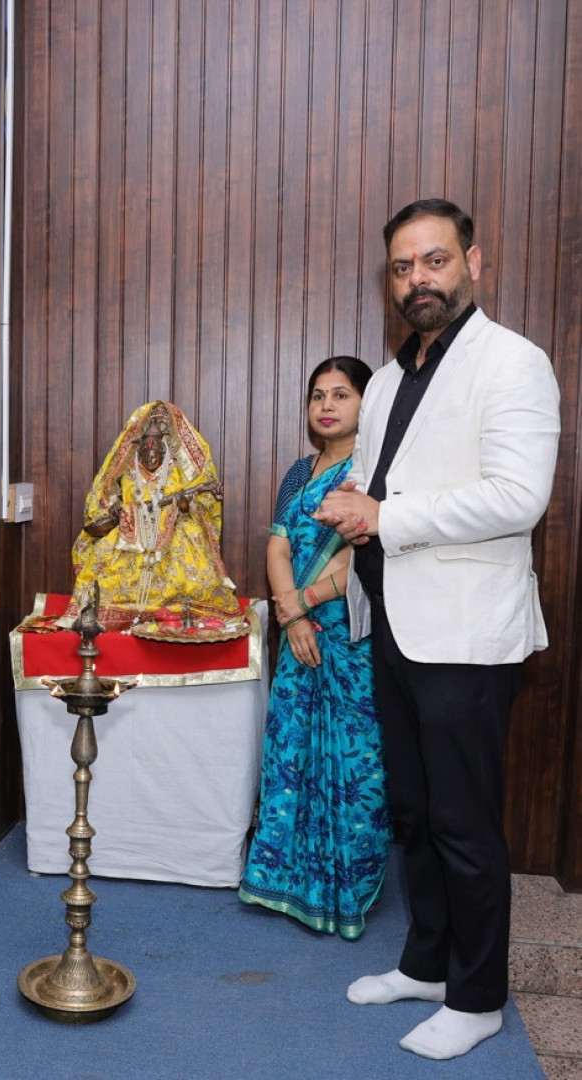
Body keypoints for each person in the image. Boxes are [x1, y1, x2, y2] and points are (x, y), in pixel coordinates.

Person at [317, 199, 560, 1060]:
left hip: (464, 633)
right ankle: (426, 964)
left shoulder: (512, 362)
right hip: (391, 623)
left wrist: (385, 515)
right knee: (415, 815)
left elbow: (517, 498)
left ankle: (478, 995)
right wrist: (354, 507)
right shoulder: (388, 378)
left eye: (434, 259)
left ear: (472, 262)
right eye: (401, 266)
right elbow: (376, 484)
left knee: (462, 821)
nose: (417, 278)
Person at [239, 356, 390, 939]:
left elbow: (365, 551)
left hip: (349, 635)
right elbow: (277, 546)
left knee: (352, 760)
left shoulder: (374, 469)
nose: (327, 406)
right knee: (291, 751)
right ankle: (285, 882)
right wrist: (291, 613)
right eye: (318, 395)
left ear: (365, 404)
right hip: (298, 630)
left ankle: (346, 889)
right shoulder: (299, 473)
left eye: (341, 394)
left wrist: (302, 603)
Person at [61, 400, 243, 635]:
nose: (150, 457)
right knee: (103, 564)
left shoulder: (176, 470)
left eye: (155, 452)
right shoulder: (128, 472)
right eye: (145, 453)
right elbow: (105, 502)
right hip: (131, 535)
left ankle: (183, 610)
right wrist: (116, 509)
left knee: (194, 566)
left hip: (173, 533)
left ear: (164, 449)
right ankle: (98, 613)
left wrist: (183, 504)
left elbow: (195, 508)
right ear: (138, 450)